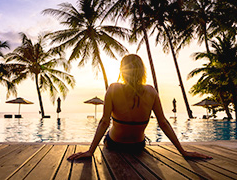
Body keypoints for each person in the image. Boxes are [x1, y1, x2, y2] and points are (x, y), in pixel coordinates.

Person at [68, 54, 212, 160]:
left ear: (122, 71)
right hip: (138, 145)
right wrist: (183, 151)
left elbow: (104, 122)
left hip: (114, 143)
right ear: (142, 71)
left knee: (111, 131)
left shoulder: (113, 88)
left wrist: (90, 152)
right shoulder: (151, 91)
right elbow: (163, 123)